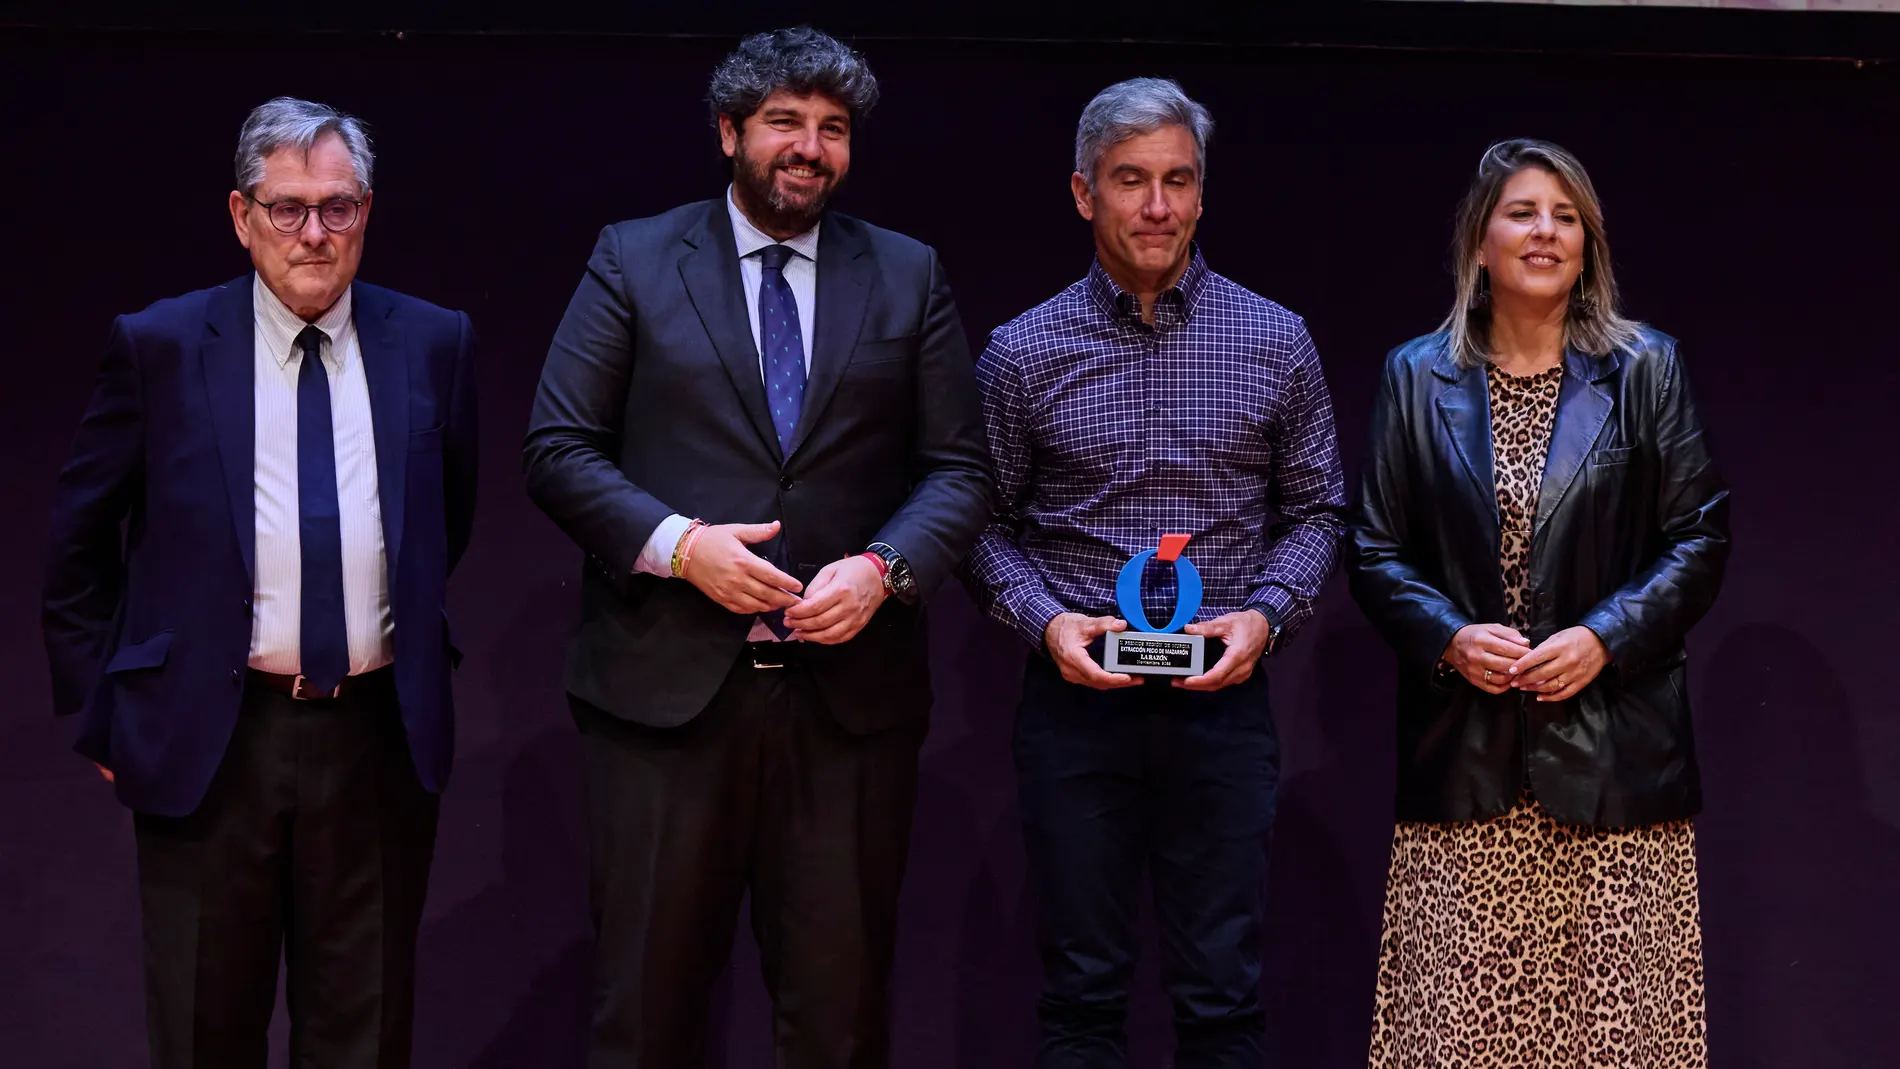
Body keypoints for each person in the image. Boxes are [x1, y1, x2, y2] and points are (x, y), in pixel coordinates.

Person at [522, 27, 991, 1068]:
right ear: (730, 132)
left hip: (846, 710)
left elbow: (961, 469)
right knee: (645, 1017)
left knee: (836, 1024)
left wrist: (884, 570)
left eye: (832, 129)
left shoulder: (907, 274)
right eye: (786, 121)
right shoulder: (634, 258)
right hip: (663, 704)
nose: (810, 147)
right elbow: (555, 447)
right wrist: (680, 546)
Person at [41, 96, 478, 1068]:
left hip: (376, 737)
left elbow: (443, 520)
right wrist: (104, 708)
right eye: (288, 208)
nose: (314, 233)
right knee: (206, 1029)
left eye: (338, 206)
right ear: (242, 215)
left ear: (367, 210)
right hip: (210, 739)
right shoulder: (160, 346)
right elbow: (78, 544)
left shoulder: (435, 342)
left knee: (360, 1037)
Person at [962, 78, 1347, 1069]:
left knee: (1222, 997)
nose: (1158, 206)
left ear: (1203, 194)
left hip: (1223, 709)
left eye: (1178, 180)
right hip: (1075, 708)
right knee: (1081, 994)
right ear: (1084, 193)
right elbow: (980, 525)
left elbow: (1316, 514)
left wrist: (1264, 617)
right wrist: (1048, 623)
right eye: (1131, 181)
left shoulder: (1275, 339)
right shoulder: (1021, 352)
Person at [1349, 138, 1729, 1067]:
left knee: (1616, 1036)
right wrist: (1446, 635)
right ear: (1480, 240)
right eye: (1523, 212)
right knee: (1462, 1037)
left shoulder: (1646, 368)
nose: (1546, 232)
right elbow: (1371, 548)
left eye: (1567, 217)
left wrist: (1605, 635)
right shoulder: (1415, 375)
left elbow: (1701, 537)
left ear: (1589, 245)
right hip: (1466, 760)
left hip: (1612, 764)